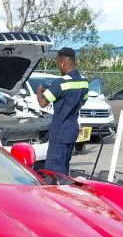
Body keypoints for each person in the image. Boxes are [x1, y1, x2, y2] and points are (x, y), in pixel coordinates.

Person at [36, 47, 89, 175]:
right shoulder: (84, 83)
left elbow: (42, 103)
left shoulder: (60, 83)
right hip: (71, 132)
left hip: (59, 133)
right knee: (64, 167)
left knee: (54, 172)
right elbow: (82, 101)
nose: (59, 68)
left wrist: (39, 91)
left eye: (58, 64)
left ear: (62, 63)